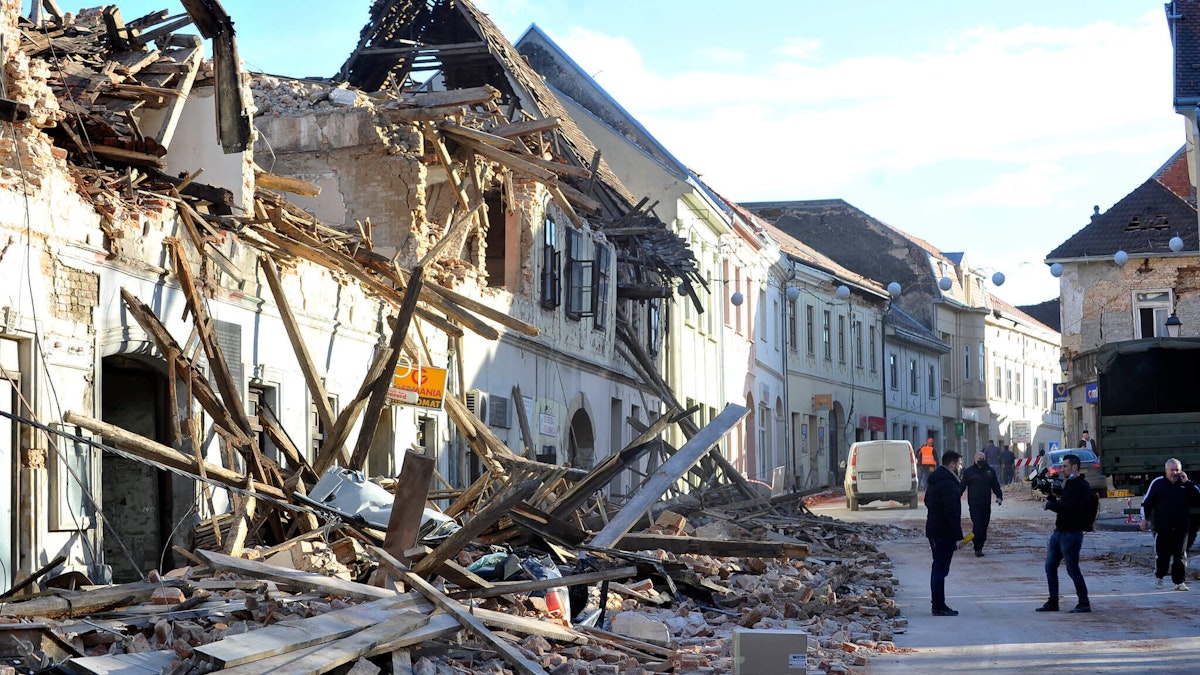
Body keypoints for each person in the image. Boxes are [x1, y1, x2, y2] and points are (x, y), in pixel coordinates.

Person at [1036, 453, 1095, 613]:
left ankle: (1084, 602)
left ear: (1074, 467)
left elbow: (1072, 509)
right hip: (1059, 532)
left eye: (1065, 466)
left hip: (1071, 534)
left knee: (1072, 569)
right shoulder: (1069, 484)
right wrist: (1052, 499)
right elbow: (1064, 504)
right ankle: (1053, 601)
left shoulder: (1081, 487)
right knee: (1050, 567)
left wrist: (1051, 505)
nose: (1063, 469)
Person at [1139, 459, 1200, 590]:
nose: (1174, 473)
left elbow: (1198, 498)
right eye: (1172, 470)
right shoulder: (1158, 483)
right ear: (1166, 470)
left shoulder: (1186, 484)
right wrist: (1144, 519)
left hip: (1182, 526)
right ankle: (1159, 577)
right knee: (1162, 555)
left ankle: (1179, 582)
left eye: (1177, 470)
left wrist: (1187, 483)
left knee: (1180, 555)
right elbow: (1147, 502)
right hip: (1163, 526)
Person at [925, 450, 964, 616]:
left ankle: (937, 603)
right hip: (943, 531)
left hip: (934, 529)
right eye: (959, 464)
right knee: (940, 569)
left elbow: (927, 501)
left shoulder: (935, 480)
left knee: (938, 568)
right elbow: (952, 511)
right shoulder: (948, 483)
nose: (961, 467)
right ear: (952, 464)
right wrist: (958, 536)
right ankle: (938, 606)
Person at [960, 451, 1003, 556]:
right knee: (978, 524)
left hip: (986, 503)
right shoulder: (969, 472)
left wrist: (999, 497)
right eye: (979, 458)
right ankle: (977, 547)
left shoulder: (990, 471)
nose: (981, 460)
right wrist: (956, 496)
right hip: (974, 503)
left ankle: (981, 543)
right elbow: (962, 486)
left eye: (982, 458)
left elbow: (995, 485)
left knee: (984, 525)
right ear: (974, 460)